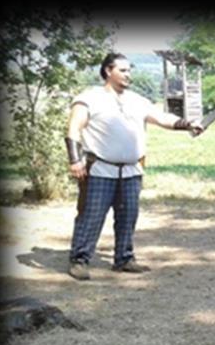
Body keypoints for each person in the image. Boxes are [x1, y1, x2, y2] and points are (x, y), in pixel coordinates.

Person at [66, 52, 203, 280]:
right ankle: (79, 259)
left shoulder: (137, 100)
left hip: (131, 170)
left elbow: (162, 118)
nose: (128, 75)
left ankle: (124, 258)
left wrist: (187, 124)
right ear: (108, 71)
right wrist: (74, 159)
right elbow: (74, 127)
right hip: (100, 170)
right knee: (91, 216)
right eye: (123, 70)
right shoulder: (89, 97)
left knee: (128, 216)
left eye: (130, 70)